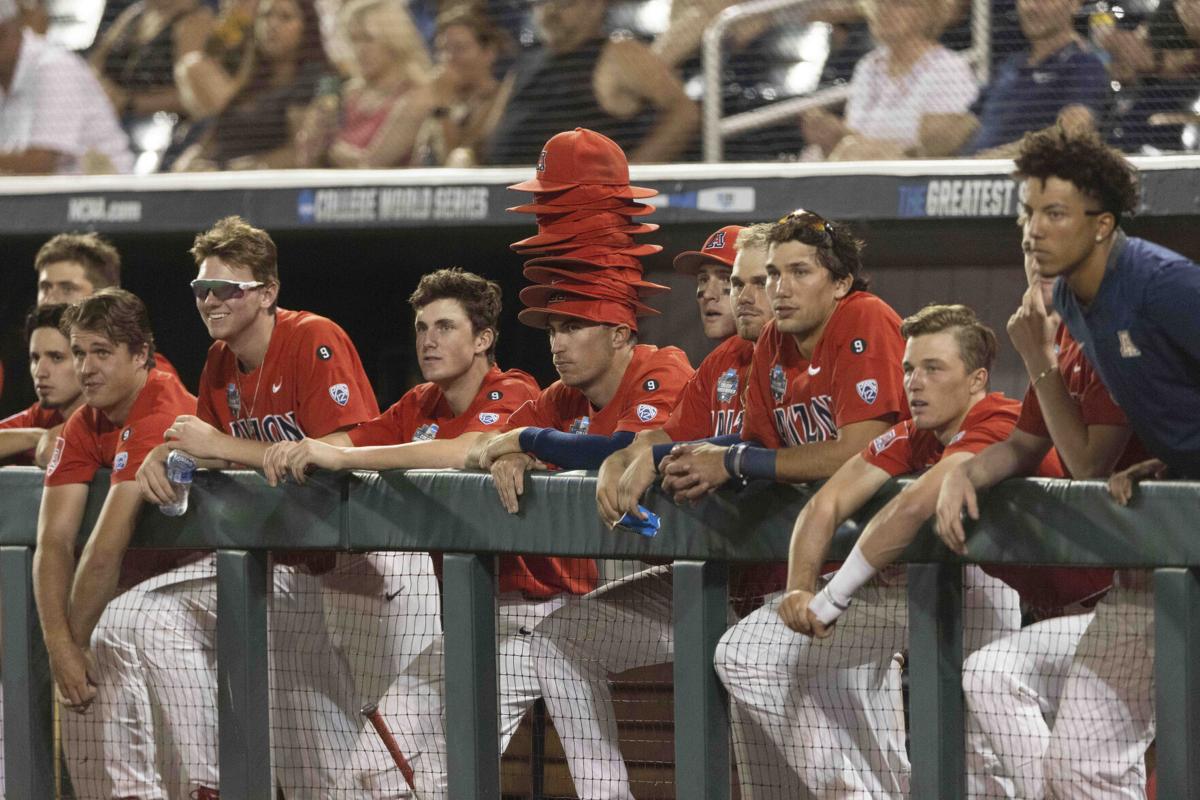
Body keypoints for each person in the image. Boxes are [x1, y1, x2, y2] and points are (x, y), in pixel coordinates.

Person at [942, 126, 1200, 797]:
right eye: (1028, 212)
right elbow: (1084, 460)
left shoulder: (1164, 285)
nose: (1033, 229)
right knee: (1077, 763)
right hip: (1163, 559)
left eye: (1054, 213)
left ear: (1103, 224)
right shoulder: (1070, 305)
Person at [716, 304, 1023, 798]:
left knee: (997, 770)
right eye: (908, 369)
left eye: (933, 368)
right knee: (744, 653)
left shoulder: (1000, 416)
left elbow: (911, 509)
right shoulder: (913, 434)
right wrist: (800, 588)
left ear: (976, 379)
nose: (914, 383)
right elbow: (825, 504)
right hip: (929, 593)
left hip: (1049, 601)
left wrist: (831, 597)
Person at [129, 215, 389, 796]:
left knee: (401, 750)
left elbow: (353, 446)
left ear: (267, 293)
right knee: (318, 761)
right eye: (202, 290)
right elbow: (216, 454)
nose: (212, 301)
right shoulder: (221, 363)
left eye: (228, 289)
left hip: (379, 566)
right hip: (304, 571)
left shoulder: (313, 337)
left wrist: (218, 445)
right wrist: (166, 453)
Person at [257, 266, 540, 796]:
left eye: (445, 327)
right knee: (376, 766)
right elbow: (346, 442)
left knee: (453, 779)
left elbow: (466, 450)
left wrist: (340, 453)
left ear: (483, 340)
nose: (428, 340)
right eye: (421, 327)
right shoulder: (420, 405)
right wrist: (318, 450)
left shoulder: (515, 388)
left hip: (541, 615)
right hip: (469, 622)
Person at [528, 224, 770, 800]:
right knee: (563, 638)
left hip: (813, 586)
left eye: (735, 280)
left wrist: (547, 444)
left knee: (865, 770)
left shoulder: (778, 359)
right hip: (717, 583)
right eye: (710, 280)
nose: (715, 293)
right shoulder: (719, 367)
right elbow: (653, 440)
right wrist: (627, 453)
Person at [31, 289, 198, 798]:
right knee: (105, 644)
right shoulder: (86, 421)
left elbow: (105, 545)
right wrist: (59, 645)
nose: (85, 367)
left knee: (114, 634)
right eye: (79, 353)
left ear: (140, 354)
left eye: (101, 352)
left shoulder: (161, 405)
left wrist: (72, 646)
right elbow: (53, 543)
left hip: (211, 581)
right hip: (142, 598)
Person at [484, 0, 698, 165]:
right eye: (542, 1)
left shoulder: (618, 53)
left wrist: (633, 175)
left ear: (595, 5)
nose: (549, 11)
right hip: (508, 203)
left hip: (582, 209)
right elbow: (485, 138)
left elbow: (684, 113)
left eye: (562, 2)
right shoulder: (523, 66)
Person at [921, 0, 1110, 156]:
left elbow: (1073, 133)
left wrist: (1000, 157)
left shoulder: (1082, 65)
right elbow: (969, 123)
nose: (1031, 7)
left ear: (1073, 4)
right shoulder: (1010, 66)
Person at [800, 0, 978, 160]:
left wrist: (863, 147)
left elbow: (945, 147)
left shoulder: (948, 68)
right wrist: (834, 133)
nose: (883, 10)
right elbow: (856, 134)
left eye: (898, 3)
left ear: (930, 12)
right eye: (879, 2)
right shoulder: (868, 66)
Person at [174, 0, 332, 170]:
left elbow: (301, 152)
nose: (271, 25)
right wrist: (189, 162)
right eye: (265, 16)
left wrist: (242, 169)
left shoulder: (315, 80)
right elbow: (209, 142)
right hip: (218, 180)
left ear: (307, 27)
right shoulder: (251, 78)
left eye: (285, 17)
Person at [0, 0, 134, 174]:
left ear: (5, 32)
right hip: (43, 196)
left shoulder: (55, 67)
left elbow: (41, 163)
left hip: (105, 195)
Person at [298, 0, 433, 168]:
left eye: (368, 39)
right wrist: (313, 138)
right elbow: (306, 161)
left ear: (392, 39)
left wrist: (329, 146)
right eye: (354, 40)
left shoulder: (417, 96)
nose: (359, 49)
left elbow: (372, 166)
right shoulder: (345, 94)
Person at [32, 232, 182, 381]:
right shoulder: (43, 366)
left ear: (103, 296)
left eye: (67, 289)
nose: (50, 300)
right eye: (45, 288)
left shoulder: (144, 370)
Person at [87, 0, 214, 129]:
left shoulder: (194, 21)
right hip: (102, 110)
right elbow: (97, 60)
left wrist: (129, 103)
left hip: (150, 127)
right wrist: (101, 89)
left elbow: (191, 95)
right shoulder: (136, 11)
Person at [411, 5, 511, 167]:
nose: (448, 58)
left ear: (488, 52)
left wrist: (442, 105)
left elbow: (455, 165)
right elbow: (416, 164)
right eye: (442, 49)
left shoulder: (500, 100)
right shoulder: (443, 99)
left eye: (460, 48)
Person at [0, 305, 82, 466]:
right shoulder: (41, 415)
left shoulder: (112, 417)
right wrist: (37, 436)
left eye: (56, 357)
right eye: (35, 358)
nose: (39, 372)